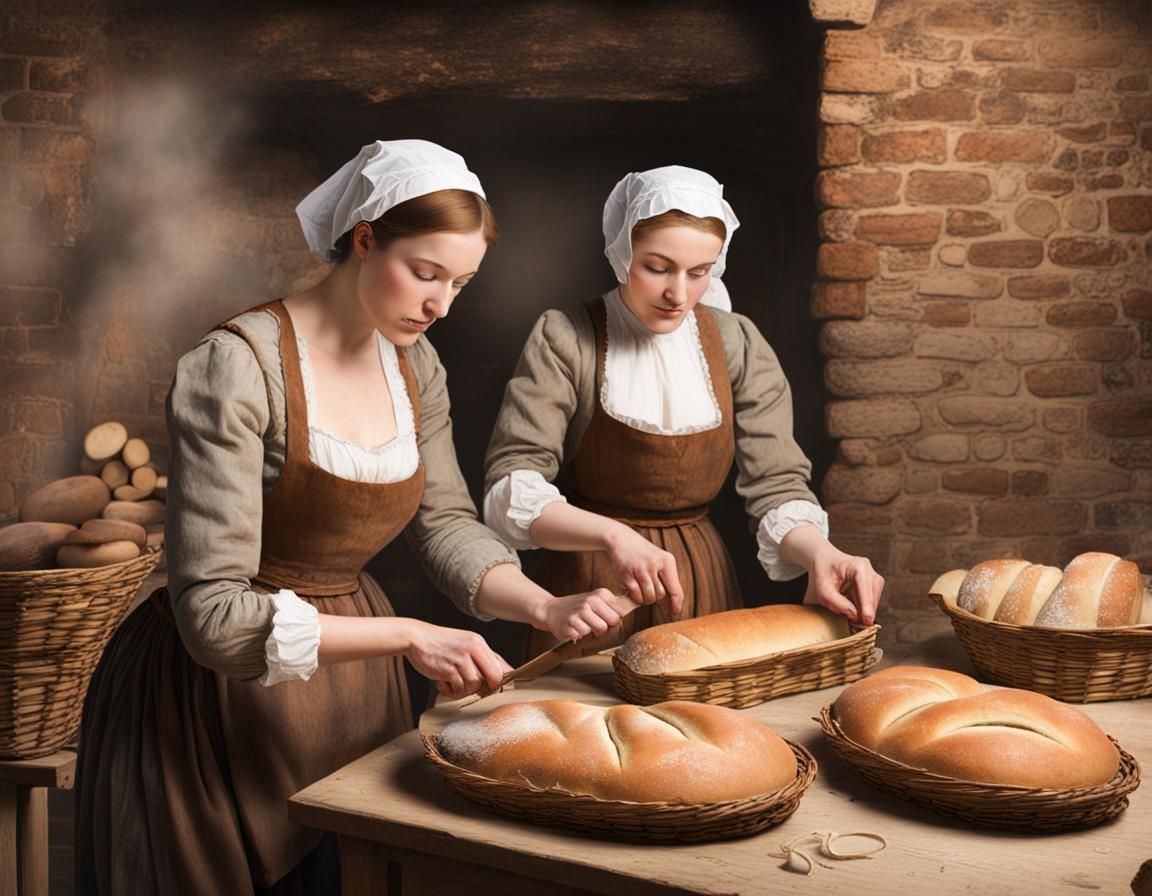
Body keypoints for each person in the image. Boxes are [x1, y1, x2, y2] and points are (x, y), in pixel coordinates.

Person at [75, 139, 638, 895]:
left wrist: (544, 603)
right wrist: (406, 635)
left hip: (352, 695)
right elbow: (210, 614)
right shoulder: (237, 368)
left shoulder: (415, 364)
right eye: (426, 273)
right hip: (211, 702)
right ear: (365, 239)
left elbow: (443, 523)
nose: (441, 304)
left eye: (461, 282)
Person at [483, 165, 885, 659]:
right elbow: (511, 485)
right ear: (621, 252)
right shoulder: (567, 337)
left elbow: (776, 484)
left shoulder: (736, 341)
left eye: (700, 273)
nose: (679, 294)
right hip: (592, 588)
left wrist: (823, 554)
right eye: (657, 267)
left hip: (700, 585)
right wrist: (612, 537)